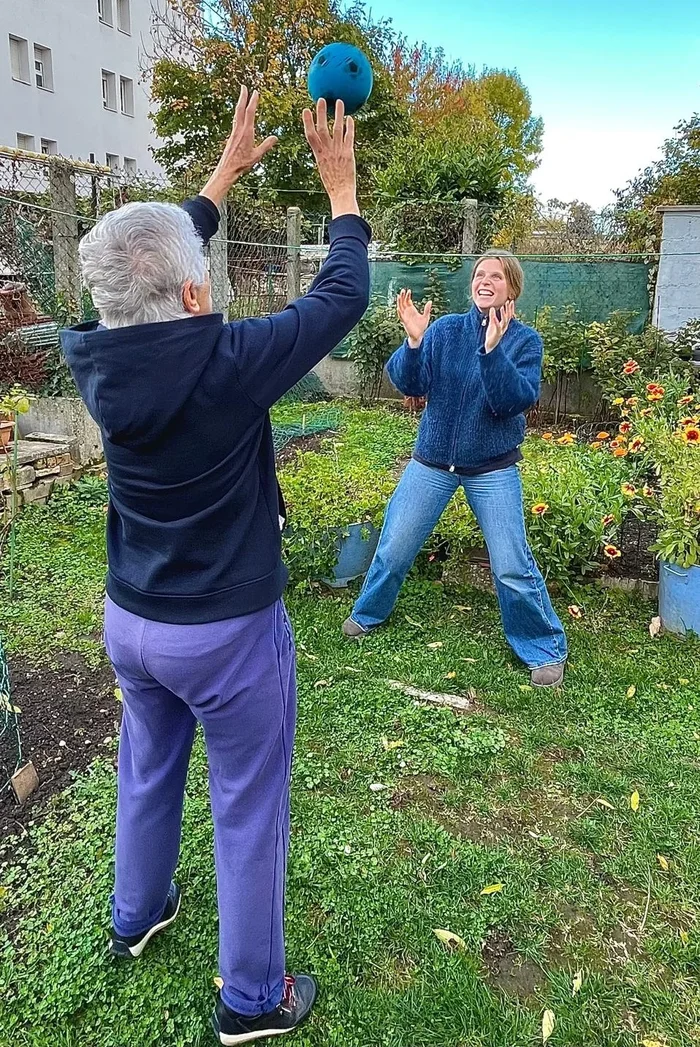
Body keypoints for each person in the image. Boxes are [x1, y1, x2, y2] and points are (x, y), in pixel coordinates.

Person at [61, 89, 370, 1044]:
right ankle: (251, 999)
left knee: (148, 765)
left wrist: (221, 180)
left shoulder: (96, 355)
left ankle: (136, 912)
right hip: (224, 636)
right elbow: (343, 294)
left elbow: (144, 268)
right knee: (246, 805)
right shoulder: (228, 358)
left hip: (132, 624)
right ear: (196, 294)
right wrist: (341, 185)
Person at [343, 252, 567, 688]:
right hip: (432, 462)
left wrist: (492, 350)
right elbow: (409, 383)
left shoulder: (525, 342)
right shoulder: (443, 331)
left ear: (511, 288)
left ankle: (542, 645)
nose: (485, 281)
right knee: (395, 546)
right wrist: (412, 342)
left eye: (496, 276)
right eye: (480, 274)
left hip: (492, 468)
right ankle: (368, 612)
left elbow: (510, 401)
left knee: (510, 564)